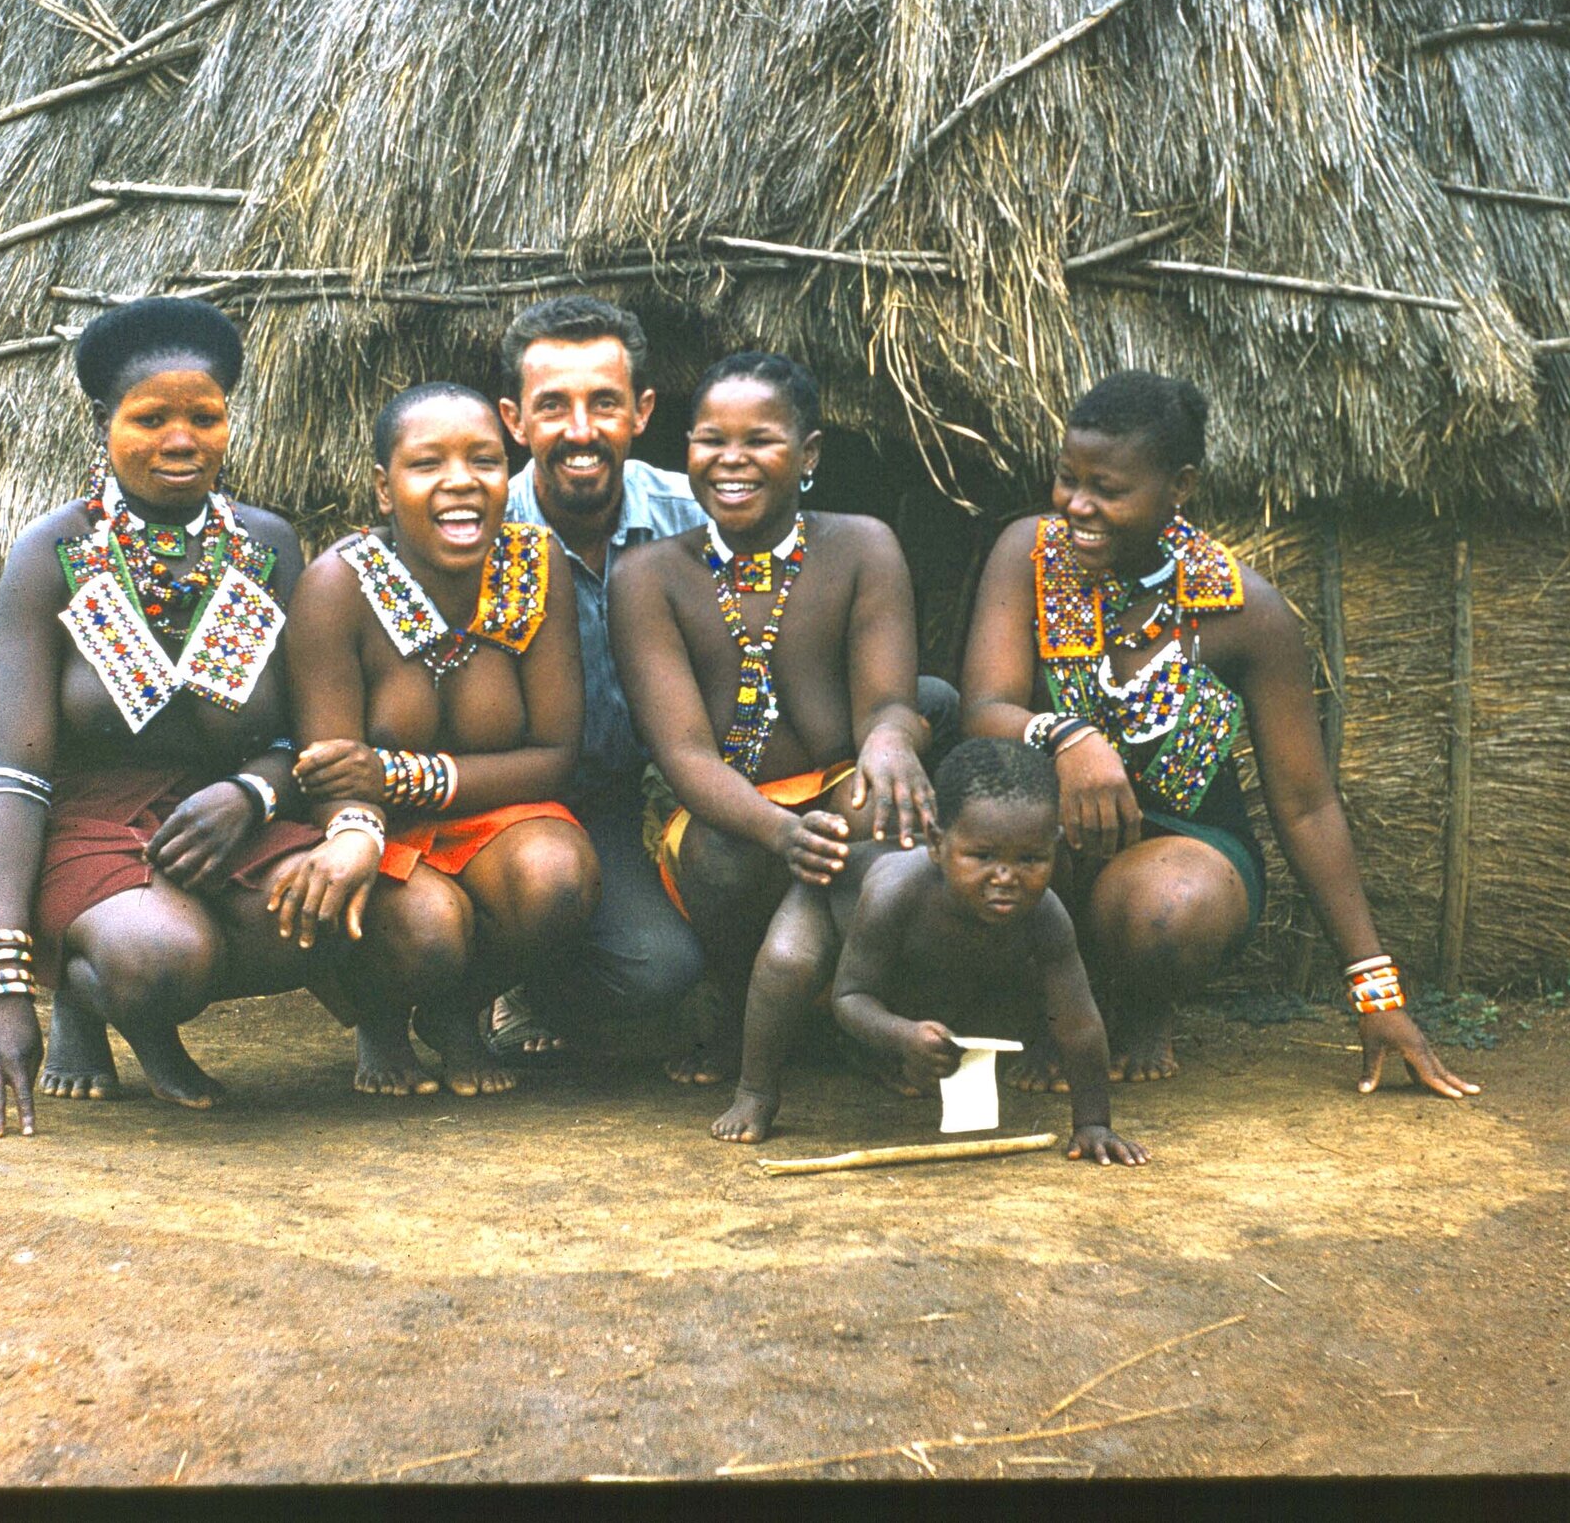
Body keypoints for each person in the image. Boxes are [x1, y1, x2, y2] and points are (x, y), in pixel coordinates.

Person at [960, 369, 1480, 1099]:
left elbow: (1305, 805)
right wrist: (1070, 737)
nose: (1077, 505)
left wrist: (1376, 991)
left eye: (1107, 489)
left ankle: (1143, 1003)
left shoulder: (1246, 613)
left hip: (1183, 842)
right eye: (1066, 478)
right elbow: (983, 707)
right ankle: (1052, 1011)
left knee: (1165, 914)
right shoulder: (1030, 556)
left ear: (1180, 486)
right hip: (1050, 837)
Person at [0, 298, 317, 1137]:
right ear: (104, 424)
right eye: (150, 418)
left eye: (205, 416)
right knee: (163, 956)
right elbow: (14, 776)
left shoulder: (268, 548)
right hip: (89, 832)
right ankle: (92, 991)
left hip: (227, 826)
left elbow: (308, 728)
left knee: (335, 913)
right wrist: (3, 986)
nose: (181, 440)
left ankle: (129, 980)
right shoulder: (53, 556)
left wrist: (254, 795)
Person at [609, 351, 939, 1140]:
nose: (731, 460)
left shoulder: (862, 548)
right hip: (728, 799)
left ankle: (858, 1012)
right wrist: (780, 830)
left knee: (881, 812)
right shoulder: (649, 575)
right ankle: (741, 1008)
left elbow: (888, 701)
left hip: (831, 781)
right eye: (709, 440)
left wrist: (891, 743)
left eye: (759, 440)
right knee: (726, 856)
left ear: (810, 454)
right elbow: (685, 754)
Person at [266, 383, 598, 1097]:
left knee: (558, 879)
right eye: (427, 464)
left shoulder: (536, 565)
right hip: (374, 831)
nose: (460, 481)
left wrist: (402, 775)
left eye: (483, 460)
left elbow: (555, 756)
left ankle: (455, 1011)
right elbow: (332, 772)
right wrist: (357, 826)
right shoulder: (338, 585)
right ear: (386, 489)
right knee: (429, 932)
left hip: (492, 819)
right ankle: (381, 1016)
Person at [480, 295, 709, 1054]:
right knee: (653, 970)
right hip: (541, 803)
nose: (581, 431)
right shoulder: (477, 533)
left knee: (679, 962)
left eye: (603, 403)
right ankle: (515, 980)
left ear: (642, 411)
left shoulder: (696, 517)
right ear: (514, 420)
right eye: (554, 406)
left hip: (676, 787)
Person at [829, 737, 1147, 1165]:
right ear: (937, 843)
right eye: (982, 856)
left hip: (929, 972)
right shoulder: (897, 890)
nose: (1005, 877)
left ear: (1054, 848)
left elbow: (1078, 1022)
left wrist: (1093, 1123)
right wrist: (901, 1036)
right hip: (828, 910)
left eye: (1030, 859)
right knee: (786, 963)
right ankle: (755, 1093)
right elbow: (849, 996)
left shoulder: (1046, 913)